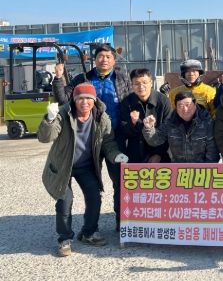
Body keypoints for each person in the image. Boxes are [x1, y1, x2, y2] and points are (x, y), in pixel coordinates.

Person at [37, 83, 128, 257]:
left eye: (88, 98)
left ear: (94, 100)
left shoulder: (102, 117)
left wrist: (116, 155)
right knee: (65, 200)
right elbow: (46, 137)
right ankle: (64, 239)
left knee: (94, 197)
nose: (84, 102)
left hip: (86, 166)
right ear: (74, 100)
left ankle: (89, 232)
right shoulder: (63, 114)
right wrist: (49, 119)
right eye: (80, 98)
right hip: (63, 166)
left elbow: (108, 142)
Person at [52, 43, 130, 231]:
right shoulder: (83, 79)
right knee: (93, 186)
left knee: (120, 182)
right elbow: (63, 99)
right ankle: (89, 228)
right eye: (100, 56)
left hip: (114, 138)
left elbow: (132, 101)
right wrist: (59, 78)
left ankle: (122, 222)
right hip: (88, 140)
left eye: (108, 57)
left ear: (114, 59)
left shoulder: (122, 78)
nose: (104, 60)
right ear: (94, 59)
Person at [143, 91, 220, 163]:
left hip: (202, 169)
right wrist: (149, 128)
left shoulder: (207, 122)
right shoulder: (170, 122)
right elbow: (155, 141)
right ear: (176, 107)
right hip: (178, 169)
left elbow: (212, 151)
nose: (185, 109)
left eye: (188, 105)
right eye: (180, 106)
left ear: (195, 104)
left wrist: (207, 169)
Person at [120, 68, 172, 164]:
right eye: (136, 84)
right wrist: (133, 123)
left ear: (151, 83)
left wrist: (158, 154)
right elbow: (124, 131)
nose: (141, 86)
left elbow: (169, 130)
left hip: (160, 154)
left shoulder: (163, 101)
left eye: (145, 82)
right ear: (132, 85)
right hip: (135, 154)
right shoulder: (127, 102)